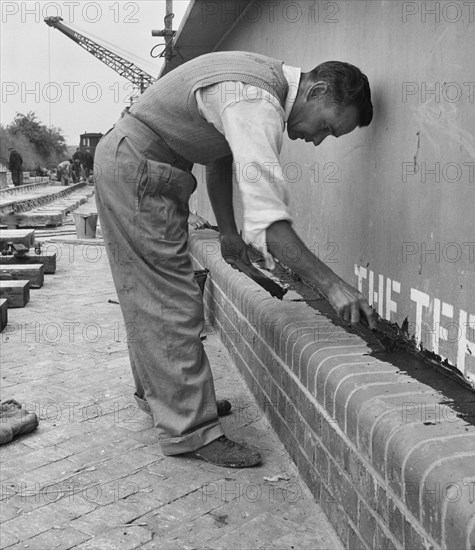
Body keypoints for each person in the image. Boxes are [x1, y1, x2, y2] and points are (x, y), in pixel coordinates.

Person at [94, 50, 376, 469]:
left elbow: (219, 155)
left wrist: (227, 232)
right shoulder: (255, 101)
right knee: (170, 302)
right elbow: (269, 225)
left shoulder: (259, 84)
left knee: (152, 295)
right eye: (326, 127)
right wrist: (334, 286)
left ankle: (164, 397)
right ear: (316, 90)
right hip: (139, 169)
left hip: (144, 165)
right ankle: (190, 432)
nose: (316, 140)